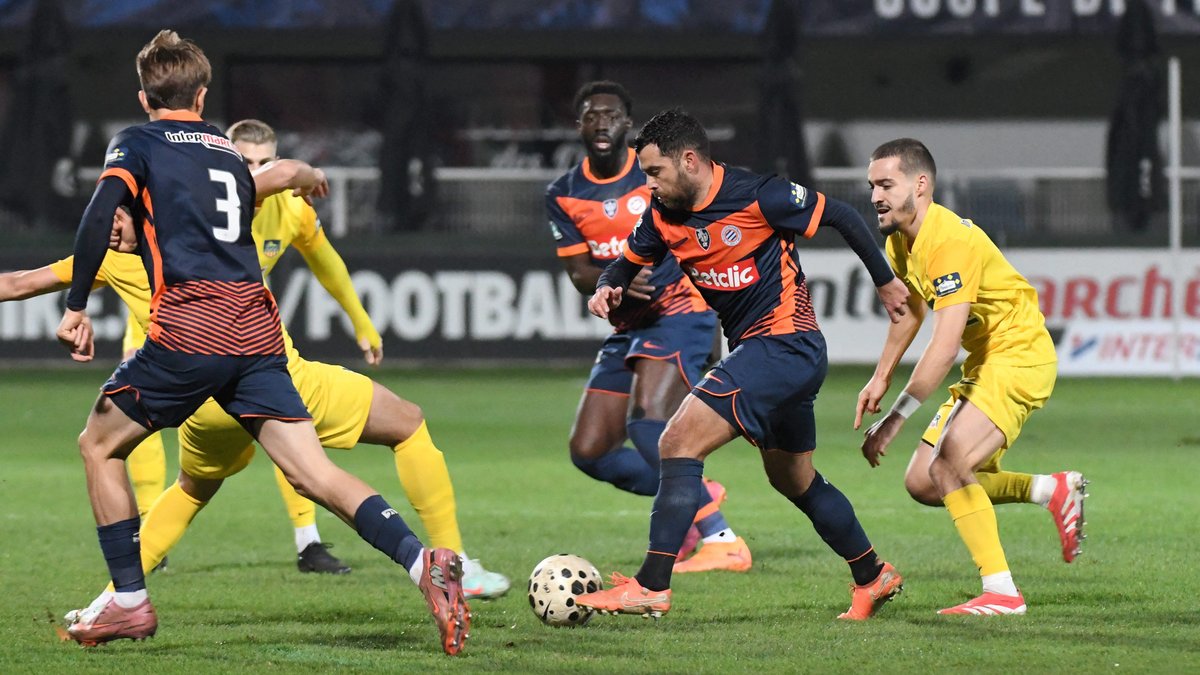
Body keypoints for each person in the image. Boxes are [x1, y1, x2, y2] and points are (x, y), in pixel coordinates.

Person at [54, 31, 468, 654]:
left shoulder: (136, 142)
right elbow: (280, 175)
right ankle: (422, 563)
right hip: (257, 332)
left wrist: (77, 304)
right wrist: (310, 172)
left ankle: (131, 603)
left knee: (98, 444)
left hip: (192, 327)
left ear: (144, 97)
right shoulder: (225, 152)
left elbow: (97, 215)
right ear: (202, 93)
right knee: (313, 473)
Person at [575, 109, 910, 620]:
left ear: (689, 161)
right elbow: (629, 258)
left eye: (654, 172)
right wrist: (607, 286)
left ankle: (651, 586)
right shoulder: (663, 214)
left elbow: (840, 214)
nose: (648, 184)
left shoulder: (760, 195)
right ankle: (872, 573)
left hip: (784, 345)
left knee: (675, 441)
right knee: (794, 480)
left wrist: (885, 281)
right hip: (769, 353)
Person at [854, 138, 1087, 616]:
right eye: (871, 185)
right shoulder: (900, 240)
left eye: (885, 184)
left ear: (920, 185)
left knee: (950, 460)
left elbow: (943, 349)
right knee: (923, 481)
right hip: (987, 361)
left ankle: (1002, 591)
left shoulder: (950, 241)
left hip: (1019, 354)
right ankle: (1050, 490)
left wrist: (896, 418)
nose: (875, 195)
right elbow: (909, 313)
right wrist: (880, 377)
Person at [546, 81, 746, 570]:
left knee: (650, 426)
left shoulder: (656, 174)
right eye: (591, 114)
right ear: (579, 125)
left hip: (682, 311)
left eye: (611, 115)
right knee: (590, 451)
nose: (601, 122)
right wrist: (613, 278)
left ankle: (723, 540)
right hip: (628, 324)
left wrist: (721, 322)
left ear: (627, 126)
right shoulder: (564, 194)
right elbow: (578, 273)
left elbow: (706, 237)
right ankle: (695, 494)